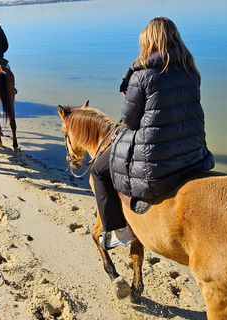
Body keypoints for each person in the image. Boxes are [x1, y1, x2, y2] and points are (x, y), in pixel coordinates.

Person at [92, 17, 215, 249]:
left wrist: (129, 95)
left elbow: (129, 120)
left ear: (149, 41)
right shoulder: (190, 70)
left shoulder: (142, 74)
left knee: (99, 170)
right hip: (193, 149)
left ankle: (120, 230)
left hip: (157, 154)